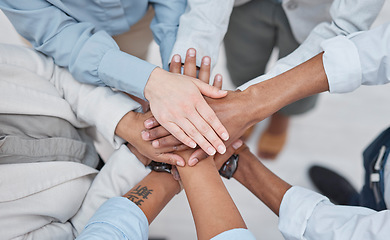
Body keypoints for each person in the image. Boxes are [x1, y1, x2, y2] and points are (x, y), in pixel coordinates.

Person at [0, 43, 191, 239]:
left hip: (91, 125)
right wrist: (140, 157)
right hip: (94, 200)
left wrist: (126, 122)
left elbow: (51, 72)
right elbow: (78, 233)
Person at [0, 0, 231, 159]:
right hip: (58, 31)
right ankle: (105, 140)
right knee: (73, 102)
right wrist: (152, 81)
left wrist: (173, 71)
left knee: (137, 79)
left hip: (136, 17)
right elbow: (56, 34)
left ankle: (143, 125)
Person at [163, 0, 385, 160]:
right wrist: (191, 60)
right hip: (243, 7)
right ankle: (245, 109)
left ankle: (282, 115)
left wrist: (256, 100)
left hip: (319, 14)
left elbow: (345, 26)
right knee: (243, 65)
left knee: (303, 83)